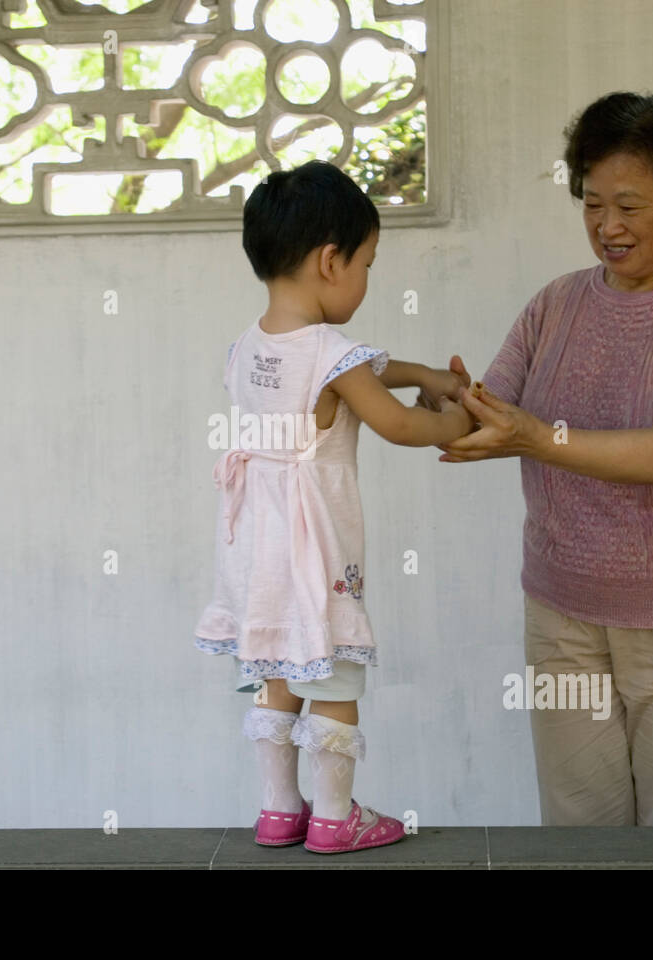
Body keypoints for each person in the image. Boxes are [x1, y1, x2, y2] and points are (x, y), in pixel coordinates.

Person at [420, 91, 653, 827]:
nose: (608, 226)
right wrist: (381, 385)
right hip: (562, 615)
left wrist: (538, 438)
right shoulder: (558, 303)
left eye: (631, 206)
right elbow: (481, 413)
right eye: (592, 203)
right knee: (578, 831)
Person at [194, 159, 473, 853]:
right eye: (368, 263)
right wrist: (460, 423)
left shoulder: (247, 347)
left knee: (277, 668)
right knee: (335, 670)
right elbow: (397, 421)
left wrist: (425, 374)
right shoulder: (333, 353)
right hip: (316, 542)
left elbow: (363, 370)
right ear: (330, 261)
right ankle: (335, 815)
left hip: (254, 548)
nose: (367, 278)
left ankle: (279, 810)